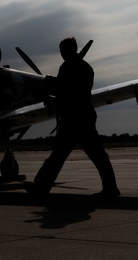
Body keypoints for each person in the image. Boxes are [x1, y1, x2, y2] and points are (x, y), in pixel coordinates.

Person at [27, 37, 120, 199]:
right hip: (84, 116)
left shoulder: (68, 67)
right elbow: (74, 92)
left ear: (65, 51)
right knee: (98, 156)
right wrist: (58, 97)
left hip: (73, 119)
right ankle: (110, 188)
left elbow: (67, 90)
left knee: (57, 156)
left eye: (62, 52)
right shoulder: (85, 67)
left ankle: (41, 187)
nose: (62, 55)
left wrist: (49, 85)